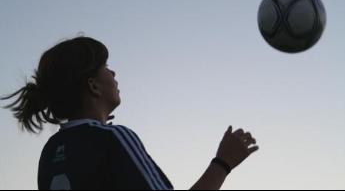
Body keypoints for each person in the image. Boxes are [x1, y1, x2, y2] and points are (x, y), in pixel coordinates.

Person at [1, 36, 259, 190]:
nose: (113, 74)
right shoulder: (111, 139)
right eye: (106, 67)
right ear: (93, 85)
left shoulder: (51, 151)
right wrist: (223, 162)